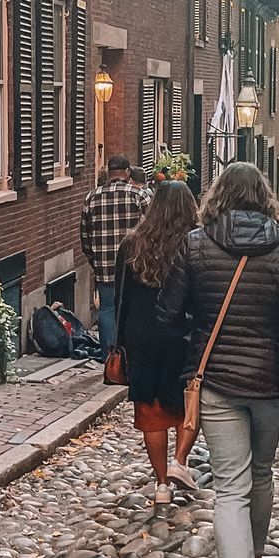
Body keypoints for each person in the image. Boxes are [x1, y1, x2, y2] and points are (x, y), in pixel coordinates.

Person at [158, 162, 279, 558]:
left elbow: (168, 314)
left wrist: (196, 342)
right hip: (272, 381)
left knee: (230, 484)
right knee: (262, 473)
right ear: (265, 198)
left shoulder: (194, 246)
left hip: (215, 382)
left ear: (217, 196)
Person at [114, 180, 201, 507]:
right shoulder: (195, 244)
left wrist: (120, 341)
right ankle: (180, 461)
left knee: (151, 412)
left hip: (143, 338)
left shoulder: (132, 244)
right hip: (185, 336)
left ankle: (162, 483)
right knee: (185, 406)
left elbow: (120, 299)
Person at [80, 155, 151, 346]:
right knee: (134, 308)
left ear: (109, 173)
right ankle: (130, 354)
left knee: (107, 309)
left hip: (105, 264)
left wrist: (94, 259)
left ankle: (110, 360)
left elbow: (85, 235)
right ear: (127, 173)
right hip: (134, 263)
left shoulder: (91, 198)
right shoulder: (140, 196)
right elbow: (151, 231)